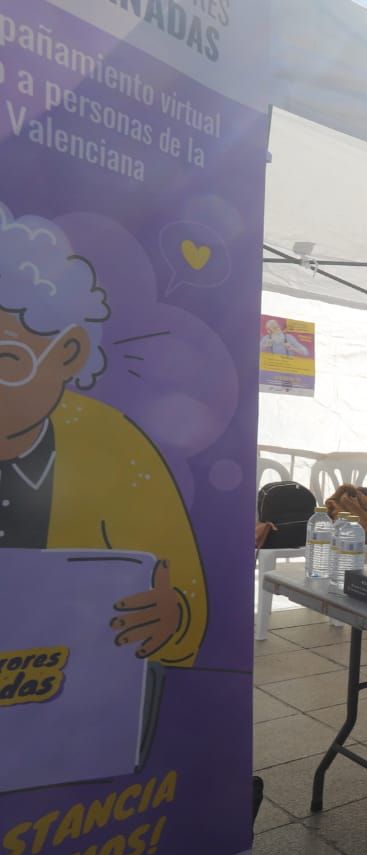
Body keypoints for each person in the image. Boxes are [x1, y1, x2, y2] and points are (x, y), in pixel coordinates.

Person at [0, 197, 206, 666]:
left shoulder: (114, 444)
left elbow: (180, 594)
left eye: (7, 363)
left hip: (68, 690)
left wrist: (171, 616)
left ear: (69, 353)